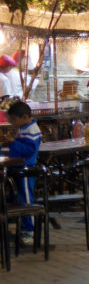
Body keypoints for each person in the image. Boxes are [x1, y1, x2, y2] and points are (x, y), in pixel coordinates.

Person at [3, 100, 42, 244]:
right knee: (19, 199)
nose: (12, 123)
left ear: (25, 117)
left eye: (14, 120)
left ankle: (29, 231)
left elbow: (29, 149)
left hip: (25, 171)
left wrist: (13, 142)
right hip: (18, 168)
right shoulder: (24, 128)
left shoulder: (31, 130)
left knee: (26, 201)